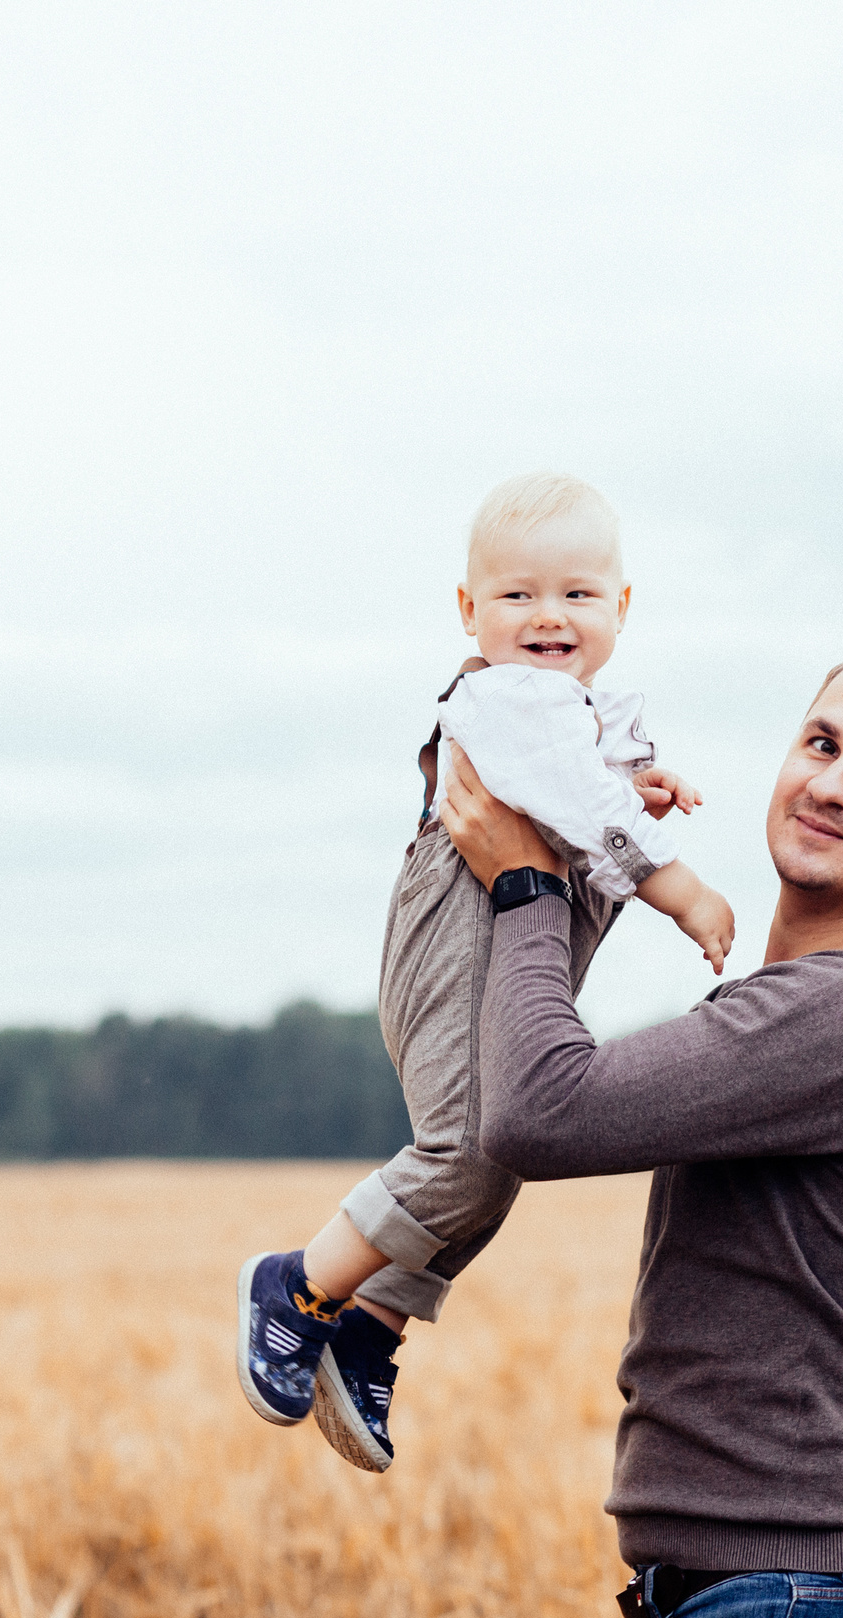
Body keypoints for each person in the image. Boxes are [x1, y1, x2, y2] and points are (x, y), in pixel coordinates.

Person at [437, 630, 843, 1618]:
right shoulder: (833, 1011)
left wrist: (526, 883)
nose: (832, 785)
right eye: (821, 743)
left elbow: (538, 1109)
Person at [236, 472, 735, 1473]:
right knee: (467, 1141)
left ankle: (373, 1319)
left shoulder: (569, 709)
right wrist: (676, 888)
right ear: (469, 612)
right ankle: (295, 1285)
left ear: (622, 608)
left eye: (577, 594)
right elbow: (571, 799)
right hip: (455, 937)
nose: (547, 617)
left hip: (511, 934)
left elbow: (583, 784)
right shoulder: (508, 696)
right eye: (516, 596)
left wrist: (640, 783)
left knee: (507, 1146)